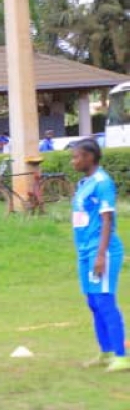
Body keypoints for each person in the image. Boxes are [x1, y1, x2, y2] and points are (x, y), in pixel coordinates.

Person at [70, 139, 129, 372]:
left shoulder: (103, 183)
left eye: (76, 157)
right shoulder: (85, 182)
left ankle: (122, 356)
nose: (73, 161)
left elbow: (107, 220)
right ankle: (106, 352)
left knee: (105, 301)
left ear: (90, 157)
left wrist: (101, 255)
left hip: (100, 250)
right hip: (85, 251)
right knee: (93, 302)